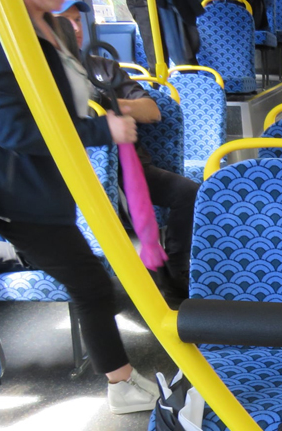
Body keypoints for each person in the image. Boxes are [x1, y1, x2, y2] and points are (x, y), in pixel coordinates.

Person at [0, 0, 160, 414]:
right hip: (20, 194)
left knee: (89, 282)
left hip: (49, 190)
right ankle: (122, 384)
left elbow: (58, 102)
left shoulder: (51, 24)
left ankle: (6, 255)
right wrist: (101, 129)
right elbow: (12, 128)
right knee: (92, 285)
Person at [55, 0, 200, 299]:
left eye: (78, 21)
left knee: (188, 192)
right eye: (64, 22)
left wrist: (108, 102)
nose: (75, 29)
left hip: (127, 170)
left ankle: (175, 271)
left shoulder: (103, 68)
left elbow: (151, 111)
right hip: (73, 173)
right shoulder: (38, 75)